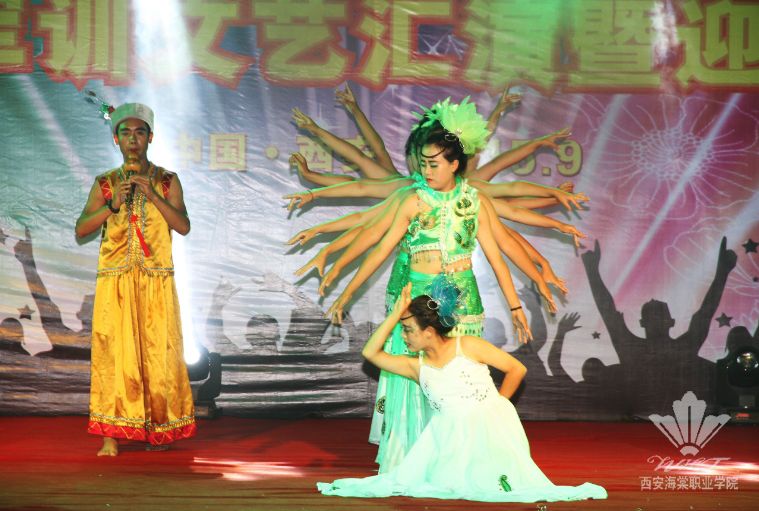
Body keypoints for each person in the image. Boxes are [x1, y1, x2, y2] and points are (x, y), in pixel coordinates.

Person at [317, 283, 607, 502]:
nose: (403, 337)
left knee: (495, 485)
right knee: (437, 485)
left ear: (429, 331)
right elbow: (370, 353)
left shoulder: (467, 345)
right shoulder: (416, 366)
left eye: (408, 330)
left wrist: (499, 406)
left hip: (488, 430)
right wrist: (396, 314)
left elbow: (516, 369)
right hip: (446, 439)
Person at [75, 102, 196, 456]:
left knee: (160, 356)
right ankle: (110, 436)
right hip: (115, 282)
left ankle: (159, 430)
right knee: (114, 357)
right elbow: (81, 229)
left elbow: (183, 226)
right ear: (116, 139)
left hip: (156, 280)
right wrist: (112, 206)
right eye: (125, 133)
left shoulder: (167, 180)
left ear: (150, 138)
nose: (133, 139)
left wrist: (153, 195)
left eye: (139, 132)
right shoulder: (105, 183)